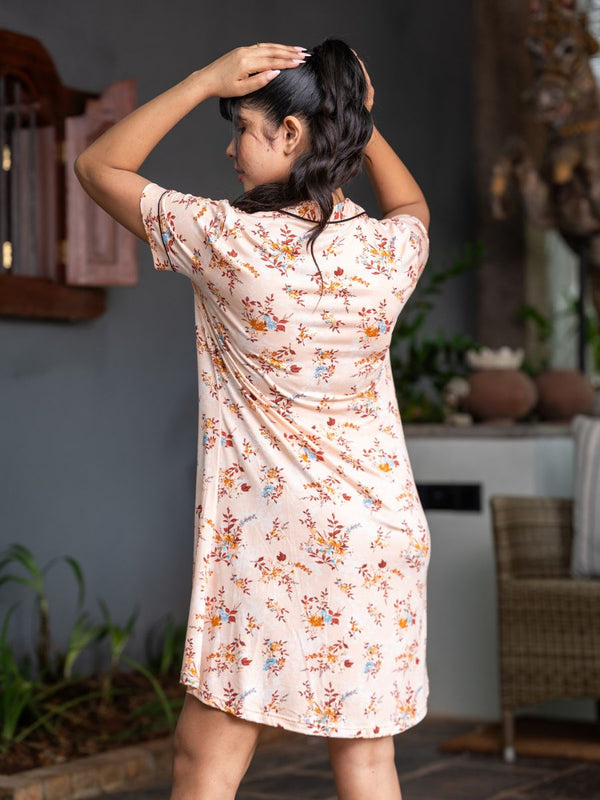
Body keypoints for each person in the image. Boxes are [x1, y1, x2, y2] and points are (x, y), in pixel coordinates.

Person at [75, 38, 431, 800]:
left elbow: (97, 167)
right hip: (379, 531)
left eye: (241, 127)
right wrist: (359, 118)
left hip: (273, 536)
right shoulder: (383, 252)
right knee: (367, 761)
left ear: (292, 135)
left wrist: (203, 79)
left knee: (209, 753)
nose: (231, 146)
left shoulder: (228, 241)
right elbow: (412, 208)